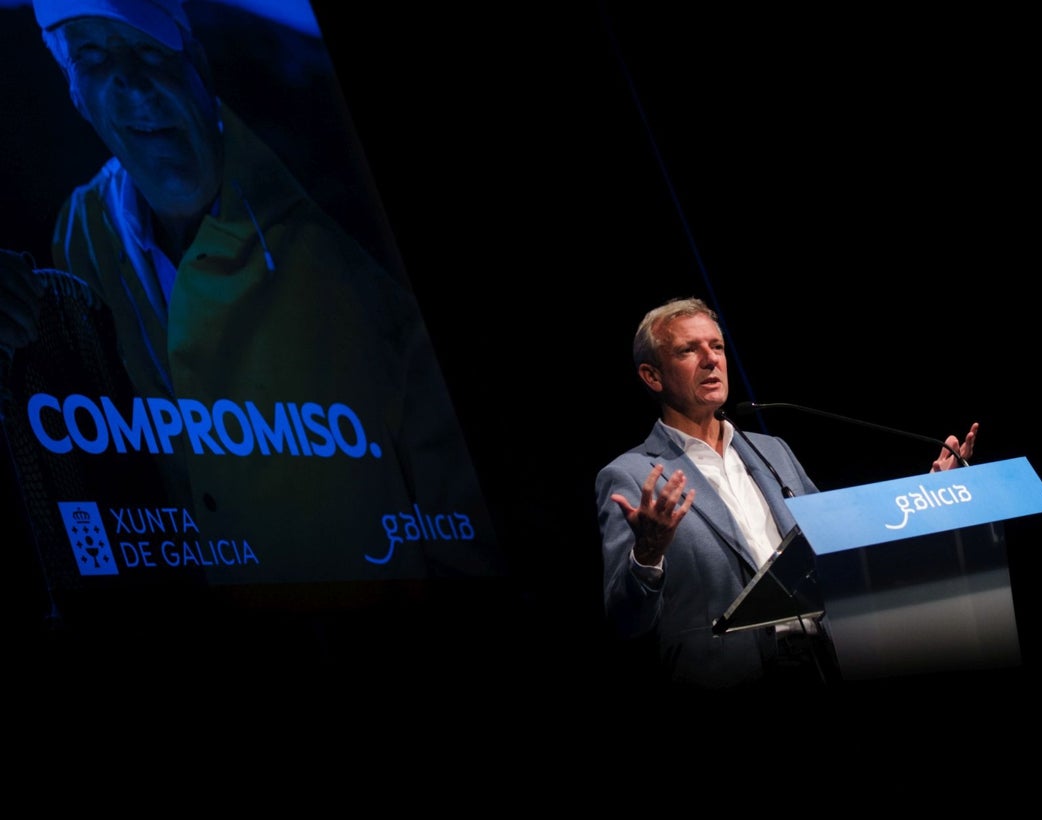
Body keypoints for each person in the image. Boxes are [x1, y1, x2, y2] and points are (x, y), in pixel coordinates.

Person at [0, 0, 496, 586]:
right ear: (74, 92)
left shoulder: (345, 241)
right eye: (90, 54)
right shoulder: (82, 231)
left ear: (197, 64)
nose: (127, 79)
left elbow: (474, 542)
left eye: (146, 47)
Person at [595, 297, 978, 692]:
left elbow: (834, 544)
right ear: (652, 376)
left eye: (717, 346)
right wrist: (648, 554)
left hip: (825, 661)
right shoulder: (631, 475)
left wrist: (927, 497)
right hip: (727, 677)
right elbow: (627, 621)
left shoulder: (772, 449)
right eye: (688, 350)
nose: (711, 359)